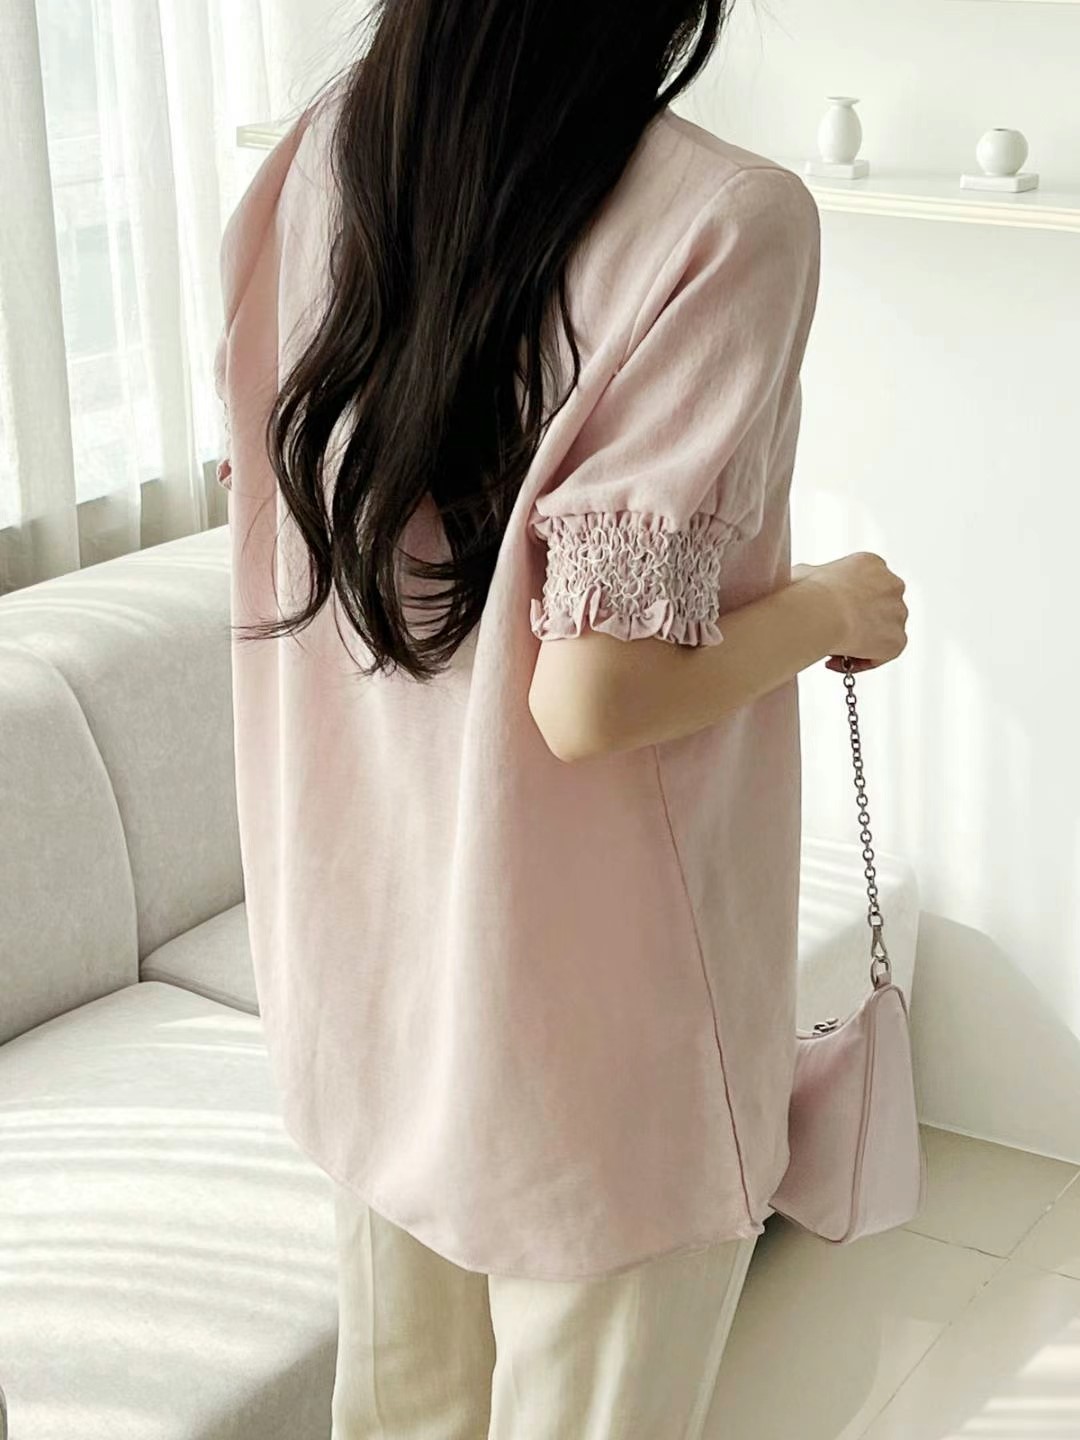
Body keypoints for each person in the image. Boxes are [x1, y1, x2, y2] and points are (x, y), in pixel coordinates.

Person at [214, 2, 909, 1436]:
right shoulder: (725, 219)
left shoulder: (329, 154)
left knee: (401, 1415)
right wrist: (830, 607)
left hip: (371, 990)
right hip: (600, 1040)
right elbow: (593, 694)